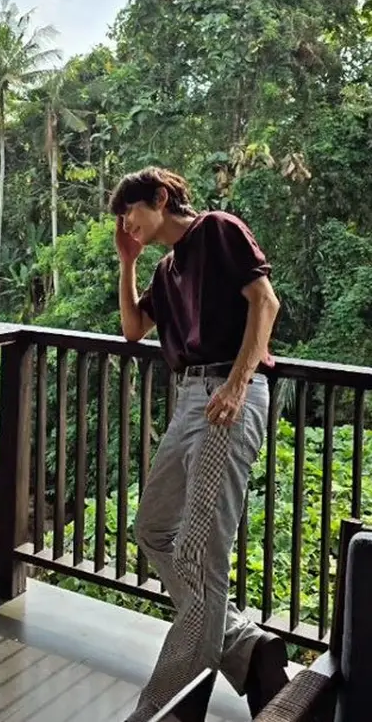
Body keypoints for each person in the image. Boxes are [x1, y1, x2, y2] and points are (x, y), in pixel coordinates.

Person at [111, 167, 284, 722]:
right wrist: (127, 261)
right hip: (190, 397)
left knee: (198, 553)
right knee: (153, 529)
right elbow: (135, 329)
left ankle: (163, 710)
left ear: (161, 198)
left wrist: (237, 384)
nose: (126, 223)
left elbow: (265, 303)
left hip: (229, 393)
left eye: (130, 211)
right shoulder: (166, 268)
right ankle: (244, 644)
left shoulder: (217, 229)